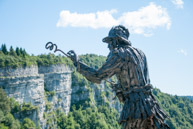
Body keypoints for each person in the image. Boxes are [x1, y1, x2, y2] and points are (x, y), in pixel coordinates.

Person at [67, 25, 170, 129]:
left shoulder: (119, 54)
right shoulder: (141, 53)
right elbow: (141, 83)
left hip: (135, 108)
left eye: (110, 42)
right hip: (150, 106)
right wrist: (121, 88)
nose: (108, 46)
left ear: (116, 40)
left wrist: (78, 64)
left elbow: (97, 77)